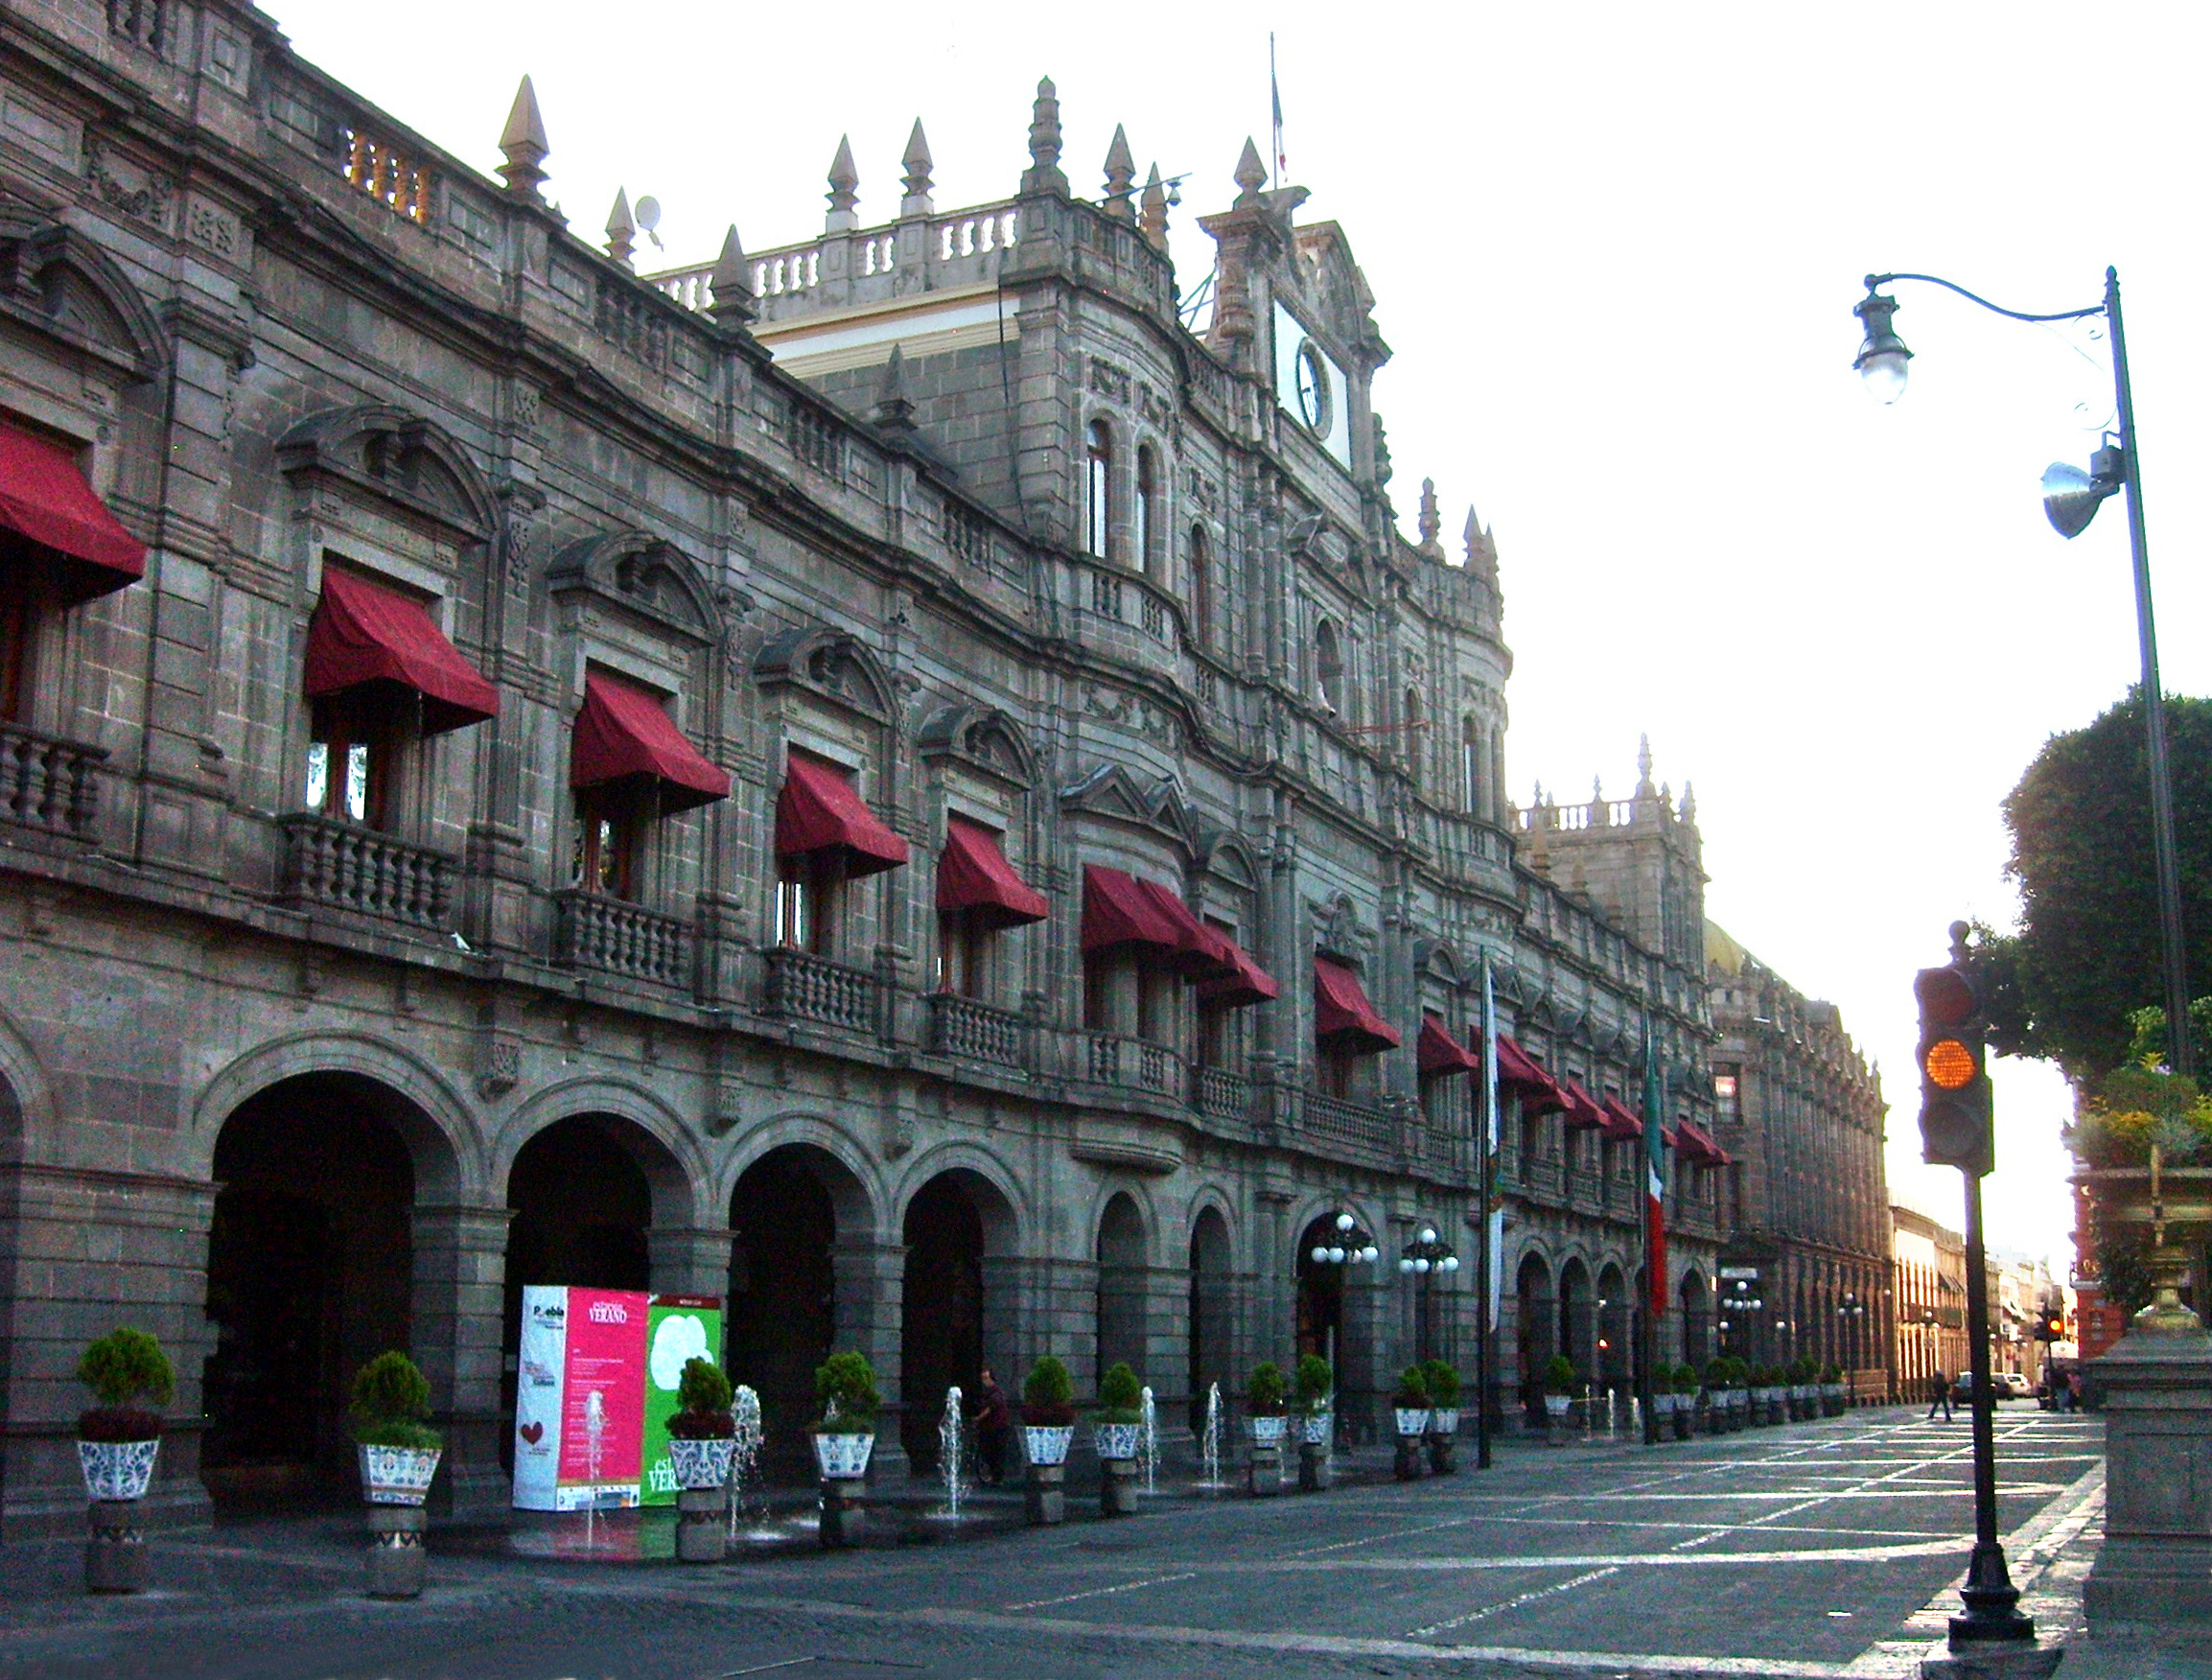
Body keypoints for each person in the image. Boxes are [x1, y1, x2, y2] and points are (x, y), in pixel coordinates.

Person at [971, 1365, 1013, 1484]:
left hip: (997, 1428)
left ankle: (996, 1477)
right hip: (990, 1427)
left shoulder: (995, 1392)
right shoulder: (990, 1392)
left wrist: (977, 1419)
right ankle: (994, 1475)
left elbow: (990, 1408)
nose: (985, 1382)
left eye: (986, 1378)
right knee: (990, 1451)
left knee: (995, 1452)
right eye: (983, 1379)